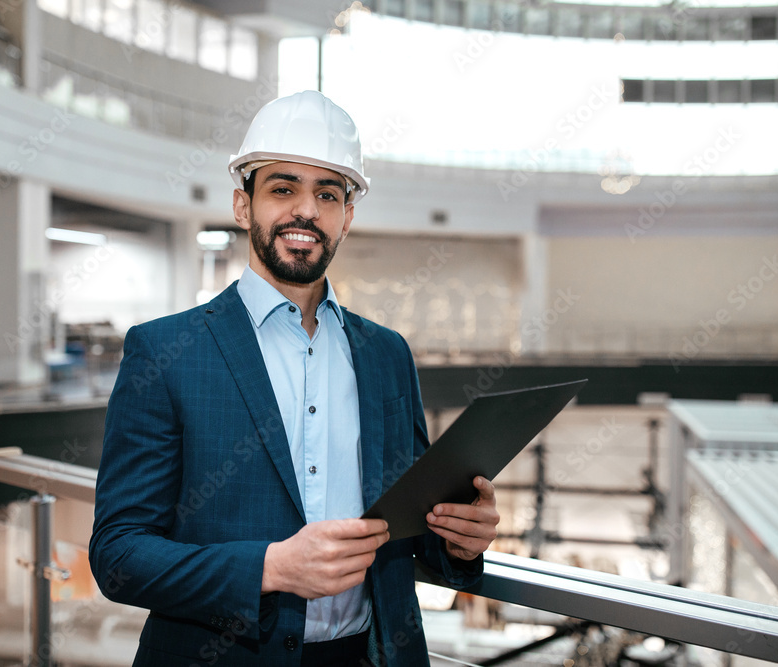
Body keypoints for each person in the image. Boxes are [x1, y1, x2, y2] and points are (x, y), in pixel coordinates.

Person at [89, 90, 499, 667]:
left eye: (327, 194)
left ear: (346, 218)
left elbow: (409, 533)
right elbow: (118, 555)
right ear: (242, 205)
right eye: (283, 188)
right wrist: (270, 569)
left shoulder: (386, 355)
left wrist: (459, 538)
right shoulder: (165, 353)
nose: (305, 211)